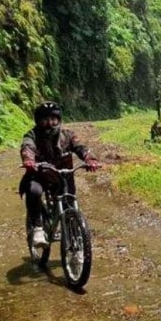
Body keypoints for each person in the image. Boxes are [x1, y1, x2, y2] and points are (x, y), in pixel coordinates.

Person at [20, 101, 100, 247]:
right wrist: (29, 160)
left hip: (63, 176)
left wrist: (90, 159)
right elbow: (27, 147)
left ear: (59, 119)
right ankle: (38, 227)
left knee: (69, 202)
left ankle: (73, 232)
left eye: (53, 119)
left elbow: (81, 148)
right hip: (39, 174)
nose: (49, 123)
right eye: (45, 120)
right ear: (38, 121)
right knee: (33, 191)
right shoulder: (32, 134)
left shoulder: (68, 135)